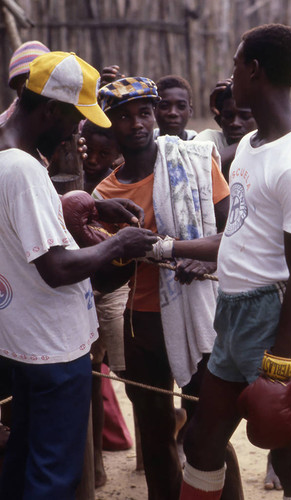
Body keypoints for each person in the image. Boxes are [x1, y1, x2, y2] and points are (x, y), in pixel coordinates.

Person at [148, 24, 291, 500]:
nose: (231, 72)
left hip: (275, 320)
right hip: (233, 316)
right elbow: (237, 236)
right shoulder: (247, 150)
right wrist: (166, 246)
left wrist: (278, 368)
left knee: (289, 453)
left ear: (254, 70)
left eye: (237, 62)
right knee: (200, 440)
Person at [0, 50, 157, 500]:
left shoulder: (11, 156)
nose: (76, 131)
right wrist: (119, 244)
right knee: (53, 476)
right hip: (52, 348)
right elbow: (55, 268)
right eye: (73, 118)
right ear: (50, 110)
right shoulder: (22, 169)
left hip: (24, 342)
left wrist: (85, 205)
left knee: (24, 460)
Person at [94, 76, 244, 500]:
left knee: (208, 430)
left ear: (157, 113)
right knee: (155, 429)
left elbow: (233, 231)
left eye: (144, 112)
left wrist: (197, 254)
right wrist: (123, 250)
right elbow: (106, 278)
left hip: (201, 316)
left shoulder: (194, 161)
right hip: (143, 325)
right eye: (123, 116)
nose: (136, 123)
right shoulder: (106, 192)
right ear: (109, 124)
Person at [80, 119, 131, 488]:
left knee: (129, 376)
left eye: (104, 154)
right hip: (80, 288)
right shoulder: (69, 175)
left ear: (117, 156)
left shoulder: (111, 187)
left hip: (111, 289)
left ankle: (154, 439)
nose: (94, 160)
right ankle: (94, 463)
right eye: (89, 152)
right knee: (92, 376)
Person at [194, 80, 256, 181]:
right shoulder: (210, 139)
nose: (235, 123)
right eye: (228, 116)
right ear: (219, 121)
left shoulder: (266, 145)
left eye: (245, 117)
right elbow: (198, 168)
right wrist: (244, 144)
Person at [0, 40, 50, 125]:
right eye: (25, 79)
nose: (32, 87)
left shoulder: (67, 124)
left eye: (38, 79)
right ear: (16, 84)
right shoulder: (3, 125)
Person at [154, 74, 197, 140]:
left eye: (181, 106)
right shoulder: (144, 144)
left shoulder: (200, 144)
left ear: (190, 111)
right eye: (164, 106)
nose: (173, 113)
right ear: (154, 111)